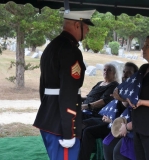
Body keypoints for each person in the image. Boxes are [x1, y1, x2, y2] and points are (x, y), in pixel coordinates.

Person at [33, 9, 95, 160]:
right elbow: (69, 92)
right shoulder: (70, 50)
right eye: (86, 26)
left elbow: (43, 86)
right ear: (76, 25)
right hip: (62, 125)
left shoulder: (52, 46)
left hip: (50, 117)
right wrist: (69, 132)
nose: (87, 31)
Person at [78, 62, 139, 160]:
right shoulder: (121, 88)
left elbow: (125, 108)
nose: (125, 74)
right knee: (82, 123)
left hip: (117, 124)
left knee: (88, 131)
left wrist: (121, 99)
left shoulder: (133, 90)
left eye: (129, 72)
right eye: (124, 72)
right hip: (107, 118)